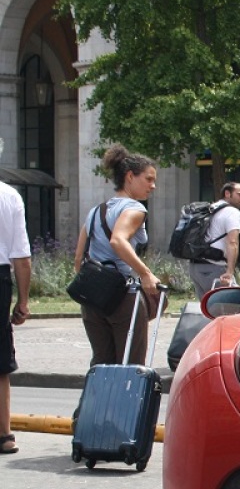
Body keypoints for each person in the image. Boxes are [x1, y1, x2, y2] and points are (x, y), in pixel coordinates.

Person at [73, 144, 161, 366]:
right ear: (130, 176)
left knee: (101, 361)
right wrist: (146, 274)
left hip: (93, 297)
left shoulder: (95, 211)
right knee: (131, 364)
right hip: (124, 293)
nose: (153, 186)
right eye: (148, 179)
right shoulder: (135, 210)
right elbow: (118, 240)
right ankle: (127, 402)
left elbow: (78, 259)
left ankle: (98, 401)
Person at [1, 179, 32, 454]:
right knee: (0, 362)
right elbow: (21, 256)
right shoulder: (8, 195)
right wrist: (23, 302)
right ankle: (4, 434)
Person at [188, 182, 240, 299]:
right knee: (236, 306)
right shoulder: (232, 212)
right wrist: (230, 271)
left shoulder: (210, 208)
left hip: (195, 267)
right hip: (215, 267)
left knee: (209, 310)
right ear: (227, 193)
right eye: (239, 195)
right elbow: (232, 242)